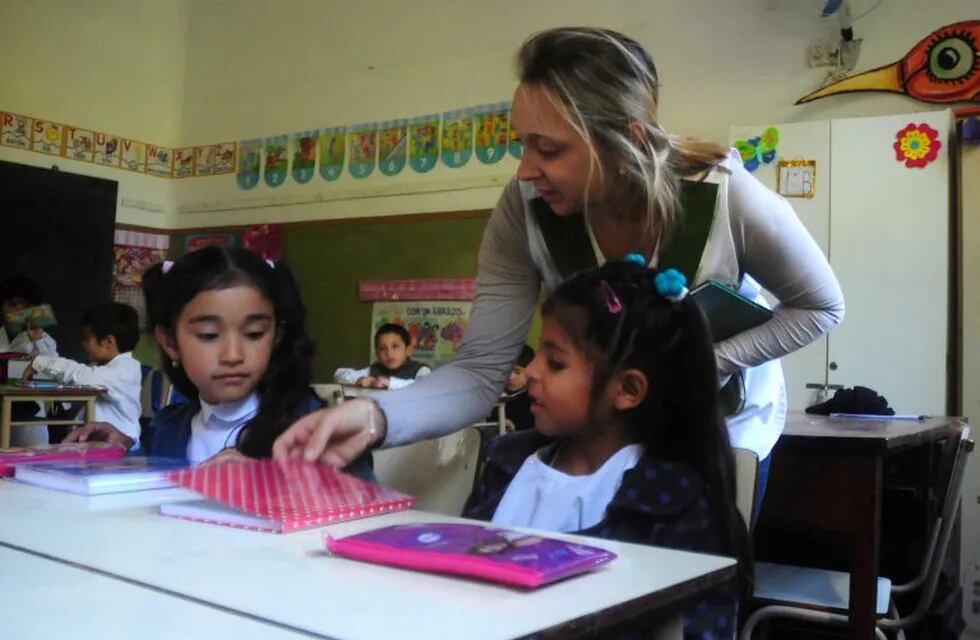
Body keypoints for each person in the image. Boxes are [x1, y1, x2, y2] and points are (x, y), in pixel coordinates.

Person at [273, 27, 844, 506]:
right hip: (604, 432)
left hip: (720, 425)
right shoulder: (525, 213)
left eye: (549, 150)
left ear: (627, 140)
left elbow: (822, 305)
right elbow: (479, 373)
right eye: (522, 145)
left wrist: (707, 361)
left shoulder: (726, 197)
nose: (525, 171)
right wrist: (374, 418)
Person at [464, 258, 751, 639]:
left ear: (628, 390)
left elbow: (700, 628)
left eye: (555, 362)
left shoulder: (672, 501)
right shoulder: (506, 462)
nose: (531, 371)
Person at [66, 247, 373, 476]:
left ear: (276, 336)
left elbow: (367, 513)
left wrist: (269, 483)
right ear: (170, 342)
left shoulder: (317, 428)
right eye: (209, 335)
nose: (233, 355)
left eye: (254, 333)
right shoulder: (169, 428)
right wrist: (126, 445)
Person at [24, 302, 143, 444]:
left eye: (87, 338)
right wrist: (39, 344)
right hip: (99, 447)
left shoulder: (125, 370)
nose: (83, 344)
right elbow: (64, 373)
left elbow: (79, 375)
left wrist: (40, 362)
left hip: (120, 452)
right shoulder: (106, 368)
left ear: (109, 342)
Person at [333, 323, 431, 390]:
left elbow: (424, 388)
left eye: (395, 346)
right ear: (377, 355)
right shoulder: (374, 369)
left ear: (408, 350)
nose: (389, 353)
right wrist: (359, 380)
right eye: (382, 348)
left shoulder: (421, 370)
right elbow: (338, 375)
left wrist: (389, 383)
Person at [0, 276, 58, 357]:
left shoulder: (44, 340)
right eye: (12, 304)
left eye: (25, 307)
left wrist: (37, 340)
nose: (19, 311)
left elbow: (53, 367)